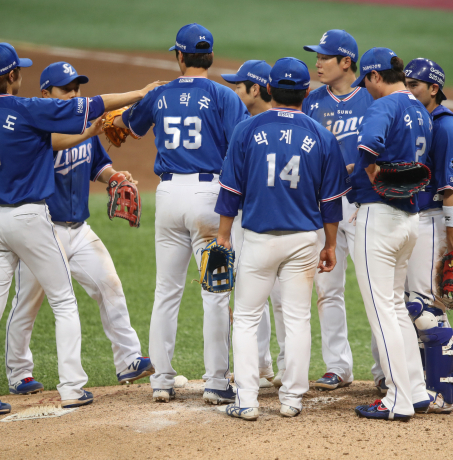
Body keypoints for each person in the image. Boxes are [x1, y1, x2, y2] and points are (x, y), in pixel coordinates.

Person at [0, 42, 159, 420]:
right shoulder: (29, 110)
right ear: (13, 77)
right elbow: (96, 102)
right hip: (31, 220)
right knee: (62, 301)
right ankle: (71, 388)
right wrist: (141, 93)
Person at [4, 62, 163, 396]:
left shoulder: (83, 128)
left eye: (76, 88)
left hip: (78, 228)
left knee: (109, 284)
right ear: (46, 95)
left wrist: (115, 176)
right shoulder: (35, 129)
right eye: (67, 90)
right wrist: (90, 129)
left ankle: (129, 359)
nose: (74, 95)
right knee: (28, 302)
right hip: (42, 231)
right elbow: (58, 142)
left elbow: (98, 164)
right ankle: (19, 373)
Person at [113, 23, 250, 404]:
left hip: (169, 195)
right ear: (208, 57)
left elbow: (127, 124)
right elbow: (242, 146)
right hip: (210, 197)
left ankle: (161, 380)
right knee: (215, 294)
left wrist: (124, 115)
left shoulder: (160, 94)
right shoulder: (223, 96)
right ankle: (216, 382)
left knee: (166, 292)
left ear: (179, 56)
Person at [216, 57, 348, 420]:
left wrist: (224, 236)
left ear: (270, 89)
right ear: (306, 92)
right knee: (297, 319)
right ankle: (291, 399)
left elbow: (229, 190)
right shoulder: (322, 136)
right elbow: (331, 201)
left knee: (244, 318)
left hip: (258, 239)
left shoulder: (247, 130)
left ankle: (246, 400)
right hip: (304, 239)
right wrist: (331, 244)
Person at [371, 58, 453, 412]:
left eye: (416, 85)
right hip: (415, 219)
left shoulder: (445, 128)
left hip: (434, 224)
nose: (408, 89)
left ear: (434, 89)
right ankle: (422, 382)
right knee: (411, 304)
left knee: (426, 309)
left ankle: (443, 393)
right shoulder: (421, 121)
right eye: (407, 82)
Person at [348, 47, 432, 421]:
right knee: (395, 307)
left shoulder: (383, 106)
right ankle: (415, 390)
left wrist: (369, 172)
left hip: (379, 219)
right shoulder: (419, 109)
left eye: (365, 81)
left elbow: (368, 146)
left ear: (375, 76)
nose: (365, 89)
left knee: (382, 310)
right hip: (409, 219)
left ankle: (397, 400)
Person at [301, 29, 374, 391]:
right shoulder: (312, 103)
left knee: (375, 289)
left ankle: (383, 370)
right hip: (326, 207)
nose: (318, 62)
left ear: (346, 62)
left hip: (364, 205)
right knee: (327, 288)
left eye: (325, 57)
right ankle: (338, 367)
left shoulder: (372, 99)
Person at [221, 60, 282, 388]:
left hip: (260, 220)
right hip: (272, 220)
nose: (233, 90)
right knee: (258, 295)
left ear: (255, 89)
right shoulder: (243, 123)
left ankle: (280, 368)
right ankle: (261, 366)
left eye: (238, 85)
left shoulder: (248, 128)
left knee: (274, 298)